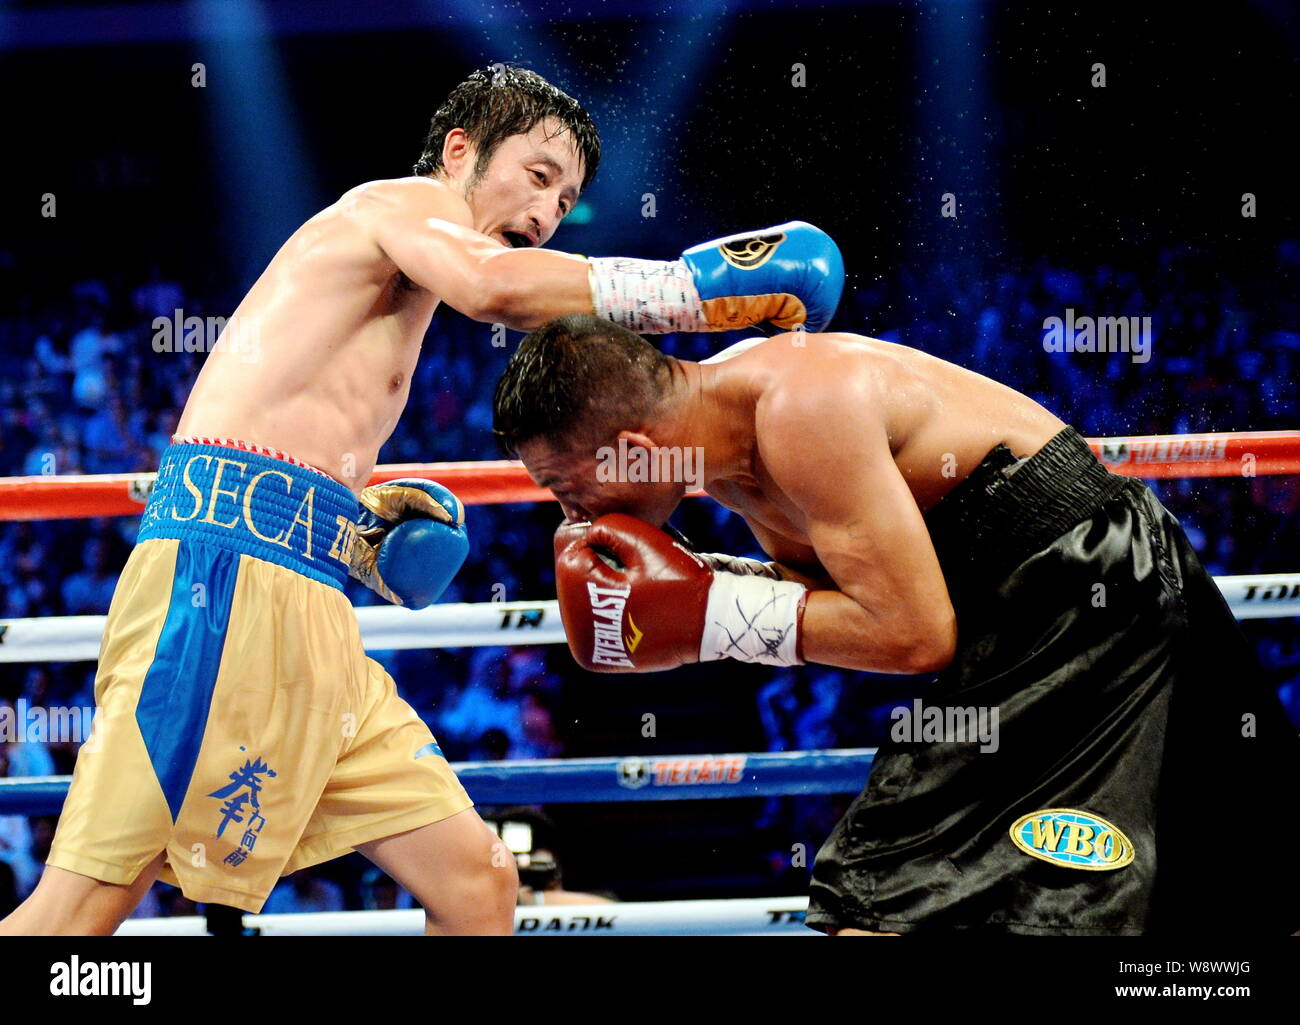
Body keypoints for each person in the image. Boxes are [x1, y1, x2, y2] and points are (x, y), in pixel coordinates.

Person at [0, 65, 841, 937]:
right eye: (539, 178)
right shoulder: (400, 206)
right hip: (220, 586)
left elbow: (288, 434)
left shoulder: (402, 283)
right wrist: (698, 289)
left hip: (307, 609)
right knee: (77, 913)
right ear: (460, 151)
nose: (549, 213)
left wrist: (358, 531)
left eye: (567, 200)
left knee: (478, 884)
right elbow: (498, 292)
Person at [491, 313, 1300, 935]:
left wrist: (708, 612)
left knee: (884, 889)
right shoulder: (725, 451)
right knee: (1221, 876)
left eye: (566, 486)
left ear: (635, 448)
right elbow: (837, 597)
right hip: (1045, 595)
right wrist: (714, 586)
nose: (569, 514)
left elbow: (914, 636)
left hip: (1081, 582)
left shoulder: (796, 411)